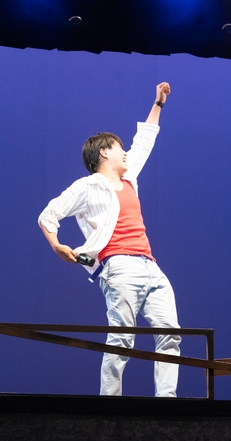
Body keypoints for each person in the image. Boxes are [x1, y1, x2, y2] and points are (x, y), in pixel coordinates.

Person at [38, 82, 181, 397]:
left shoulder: (129, 178)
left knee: (171, 334)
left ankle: (168, 403)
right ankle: (110, 406)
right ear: (104, 152)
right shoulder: (87, 187)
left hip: (150, 266)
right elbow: (48, 215)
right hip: (119, 267)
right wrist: (57, 245)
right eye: (120, 148)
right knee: (122, 339)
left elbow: (144, 141)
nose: (126, 153)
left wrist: (158, 104)